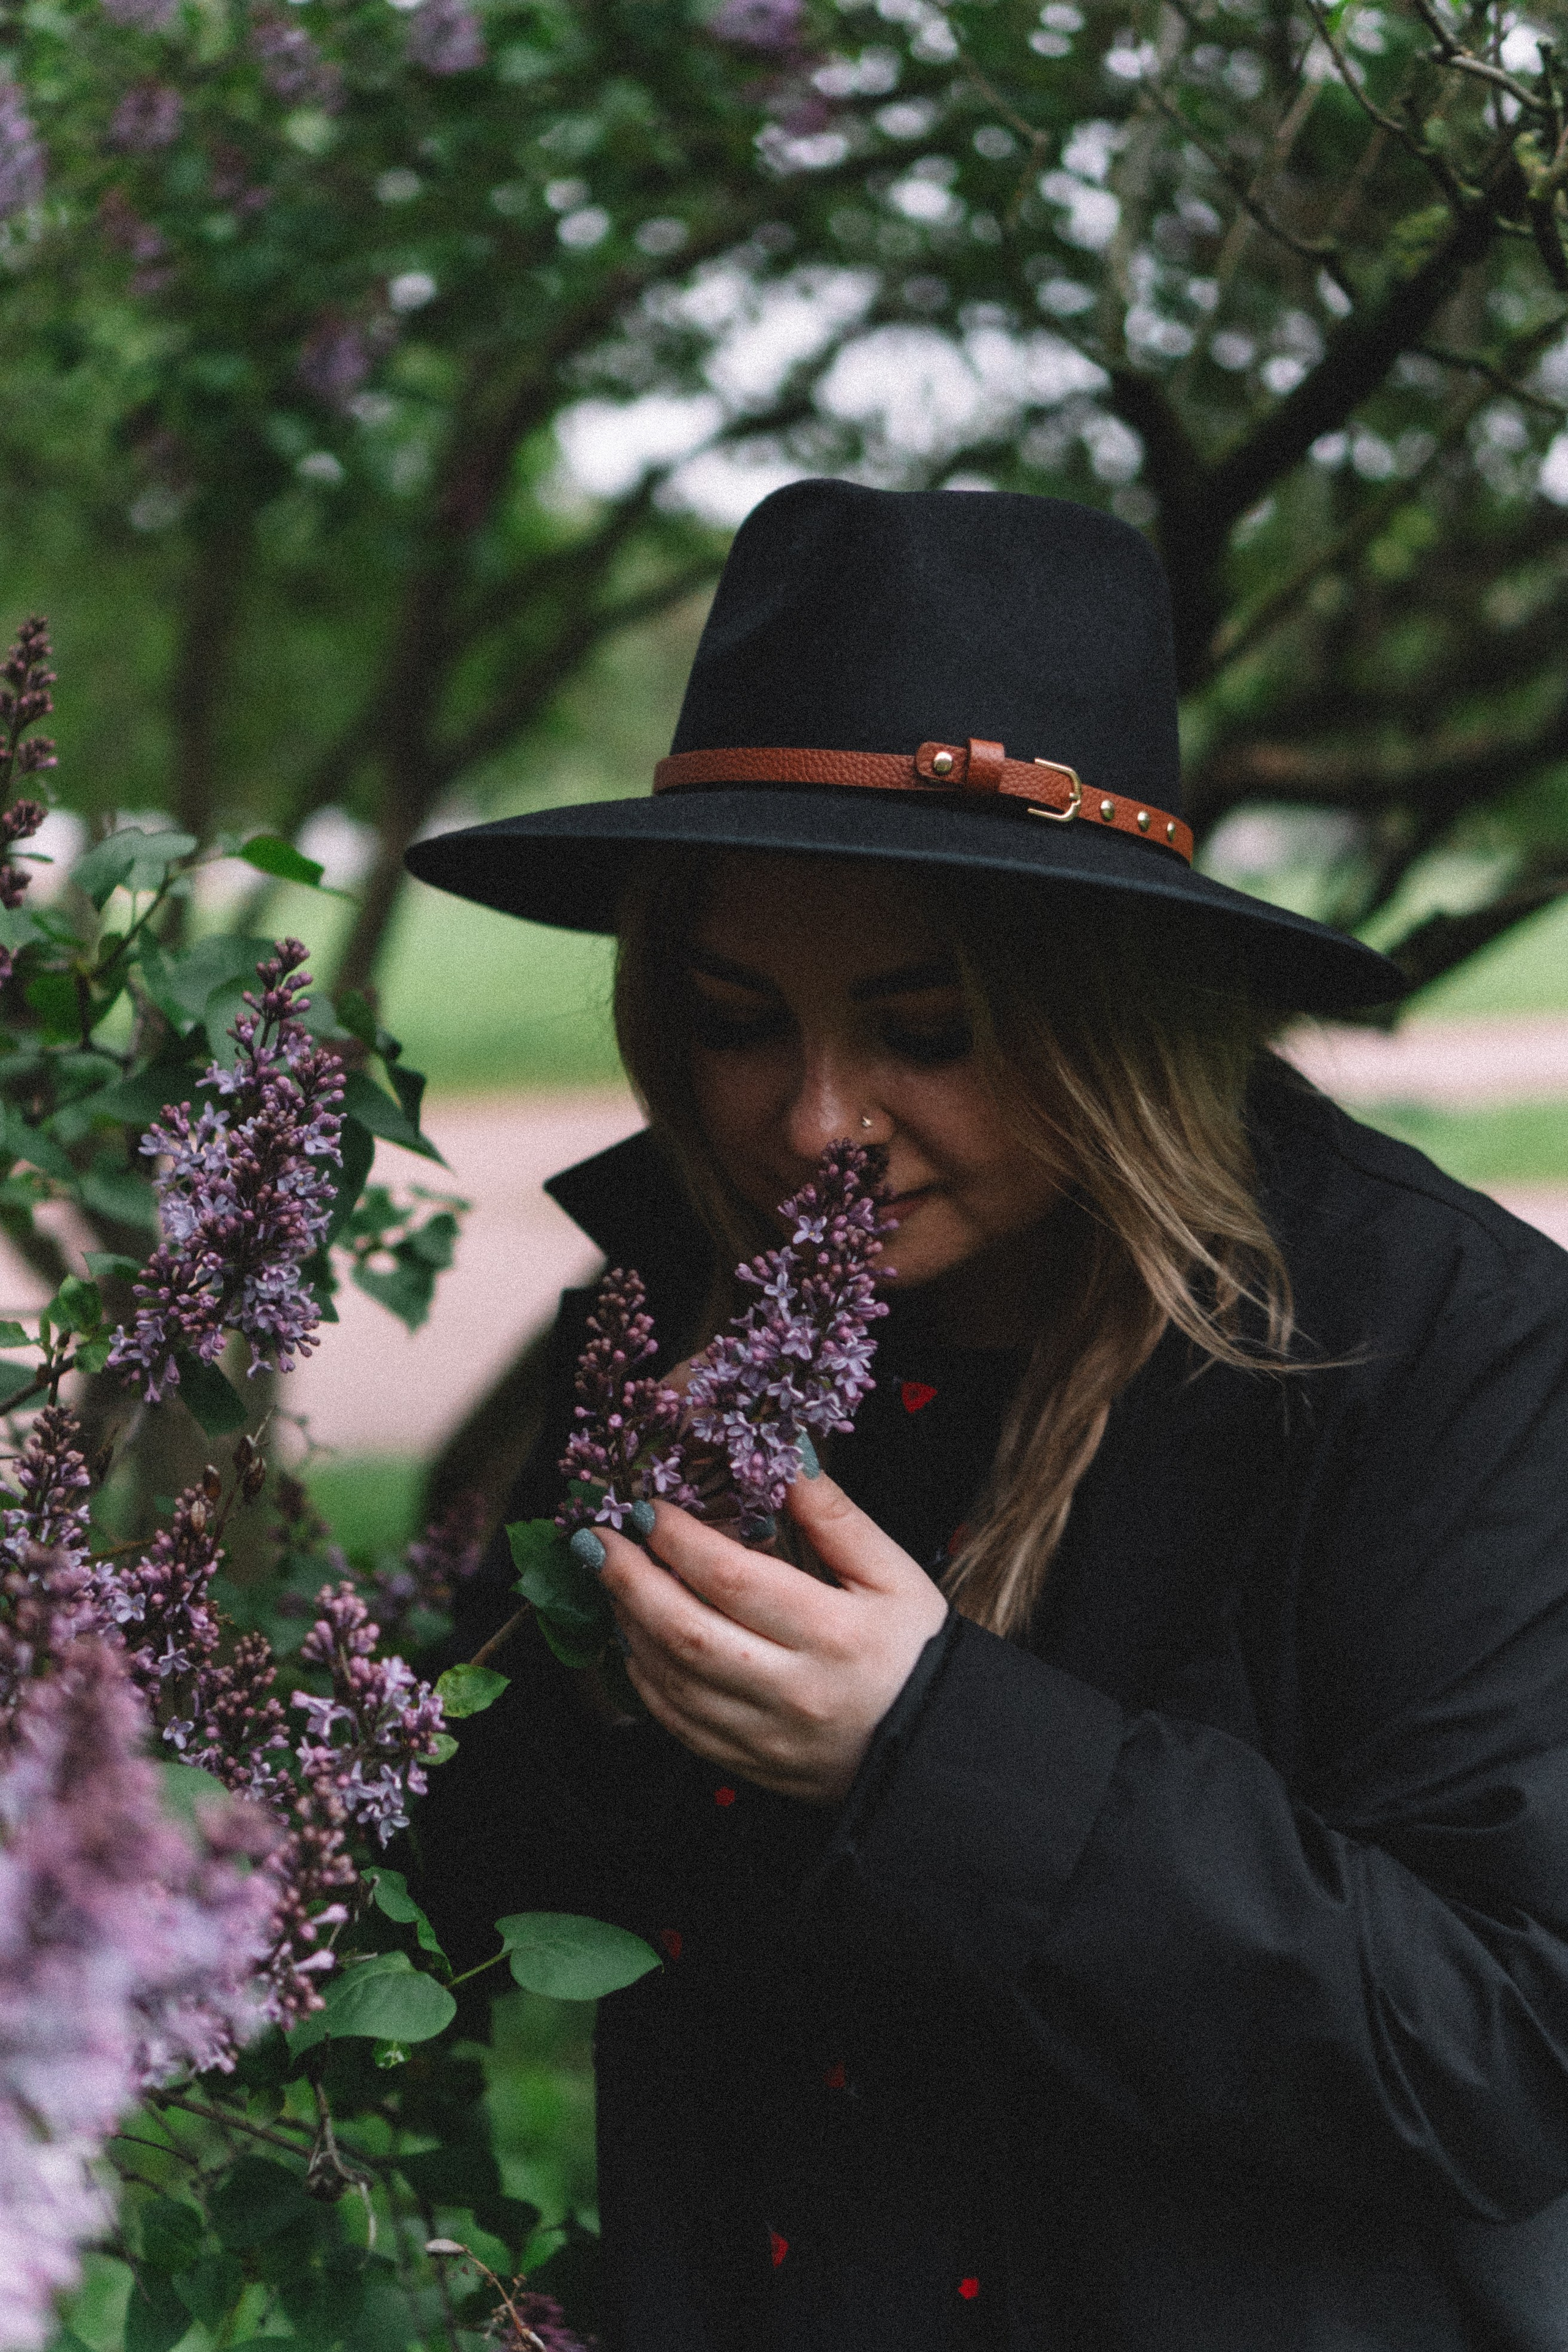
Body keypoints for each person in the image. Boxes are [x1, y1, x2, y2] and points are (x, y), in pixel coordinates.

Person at [404, 483, 1568, 2352]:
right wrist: (581, 1645)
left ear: (1109, 1008)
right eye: (732, 1020)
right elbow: (497, 1885)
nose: (812, 1125)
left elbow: (1499, 2048)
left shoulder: (1443, 1348)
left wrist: (928, 1751)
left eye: (924, 1031)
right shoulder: (674, 1310)